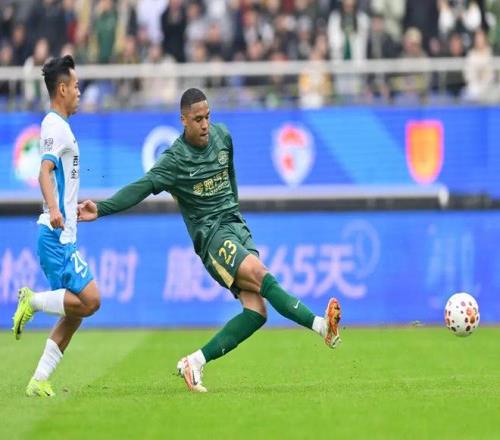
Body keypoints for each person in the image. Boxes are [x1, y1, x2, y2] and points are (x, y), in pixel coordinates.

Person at [77, 88, 341, 393]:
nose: (205, 125)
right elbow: (142, 187)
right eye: (197, 119)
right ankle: (321, 326)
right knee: (261, 274)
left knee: (257, 312)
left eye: (207, 117)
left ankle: (194, 362)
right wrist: (102, 208)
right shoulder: (174, 160)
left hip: (236, 228)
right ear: (183, 120)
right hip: (212, 237)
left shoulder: (222, 136)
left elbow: (230, 178)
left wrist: (236, 215)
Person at [12, 55, 100, 397]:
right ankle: (32, 301)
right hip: (55, 236)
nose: (79, 92)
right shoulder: (54, 126)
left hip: (62, 232)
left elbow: (59, 177)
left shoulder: (60, 126)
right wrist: (53, 209)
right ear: (61, 89)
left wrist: (68, 208)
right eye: (75, 86)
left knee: (74, 312)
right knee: (91, 300)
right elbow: (44, 171)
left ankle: (38, 379)